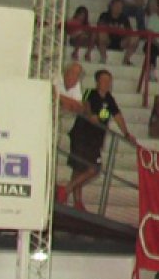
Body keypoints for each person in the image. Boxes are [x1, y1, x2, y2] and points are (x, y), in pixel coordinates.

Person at [57, 70, 138, 211]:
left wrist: (126, 133)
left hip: (96, 139)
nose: (107, 84)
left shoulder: (110, 99)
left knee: (86, 169)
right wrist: (91, 115)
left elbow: (117, 116)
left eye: (109, 81)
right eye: (104, 80)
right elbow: (84, 105)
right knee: (87, 168)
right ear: (97, 82)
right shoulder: (90, 92)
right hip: (81, 135)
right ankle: (71, 195)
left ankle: (70, 194)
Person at [94, 0, 140, 65]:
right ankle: (103, 57)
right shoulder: (104, 15)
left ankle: (126, 59)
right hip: (107, 40)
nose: (118, 8)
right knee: (101, 33)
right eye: (117, 6)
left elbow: (130, 31)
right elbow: (100, 26)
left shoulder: (124, 18)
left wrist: (122, 31)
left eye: (120, 6)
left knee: (135, 37)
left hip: (120, 41)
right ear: (111, 6)